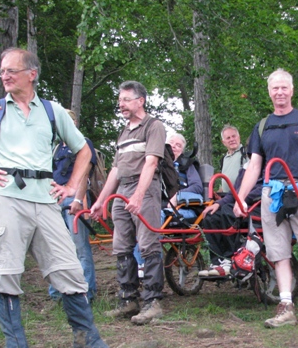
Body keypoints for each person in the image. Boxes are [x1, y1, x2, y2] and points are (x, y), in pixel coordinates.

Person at [0, 48, 123, 348]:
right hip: (5, 199)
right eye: (2, 72)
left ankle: (88, 343)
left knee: (70, 272)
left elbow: (84, 149)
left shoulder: (53, 112)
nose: (5, 76)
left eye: (12, 70)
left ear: (32, 74)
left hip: (46, 201)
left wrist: (71, 185)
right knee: (7, 274)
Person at [233, 68, 298, 330]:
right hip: (273, 195)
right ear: (269, 92)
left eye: (284, 87)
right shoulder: (262, 126)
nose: (279, 92)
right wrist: (240, 197)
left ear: (291, 90)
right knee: (279, 254)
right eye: (274, 88)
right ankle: (286, 306)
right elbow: (254, 166)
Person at [89, 81, 166, 325]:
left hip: (144, 188)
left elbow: (151, 163)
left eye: (125, 99)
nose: (120, 104)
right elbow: (115, 169)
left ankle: (153, 302)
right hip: (122, 190)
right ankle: (128, 300)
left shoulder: (153, 126)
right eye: (120, 100)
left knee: (148, 244)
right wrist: (101, 201)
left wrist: (139, 195)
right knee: (121, 246)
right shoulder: (123, 132)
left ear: (140, 101)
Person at [48, 109, 98, 303]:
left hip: (73, 199)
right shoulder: (55, 147)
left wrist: (78, 199)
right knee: (55, 249)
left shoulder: (83, 143)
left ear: (74, 123)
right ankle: (57, 294)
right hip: (54, 200)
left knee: (80, 249)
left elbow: (85, 174)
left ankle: (86, 293)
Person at [198, 167, 262, 277]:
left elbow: (264, 189)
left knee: (227, 210)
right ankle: (217, 262)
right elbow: (234, 193)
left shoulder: (266, 167)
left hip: (257, 206)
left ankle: (230, 258)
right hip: (240, 205)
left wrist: (241, 199)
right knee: (211, 216)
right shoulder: (245, 168)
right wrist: (217, 204)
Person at [162, 133, 204, 222]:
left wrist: (178, 196)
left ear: (182, 151)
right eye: (171, 143)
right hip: (158, 204)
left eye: (178, 145)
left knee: (156, 216)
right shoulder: (158, 163)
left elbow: (197, 187)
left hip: (184, 208)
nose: (173, 146)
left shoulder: (187, 165)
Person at [219, 125, 248, 193]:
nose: (232, 139)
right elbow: (223, 184)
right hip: (226, 198)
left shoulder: (246, 153)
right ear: (224, 142)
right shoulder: (223, 159)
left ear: (239, 137)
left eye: (233, 136)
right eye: (228, 138)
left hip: (242, 196)